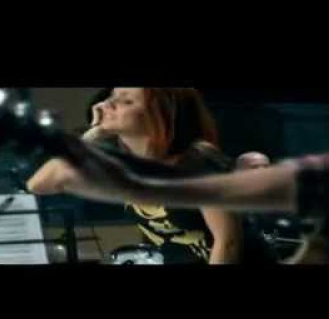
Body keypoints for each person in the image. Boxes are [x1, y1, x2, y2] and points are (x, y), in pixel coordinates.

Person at [27, 88, 243, 265]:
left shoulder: (197, 163)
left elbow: (228, 242)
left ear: (159, 114)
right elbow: (39, 184)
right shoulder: (122, 161)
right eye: (113, 96)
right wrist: (95, 133)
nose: (109, 104)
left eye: (127, 101)